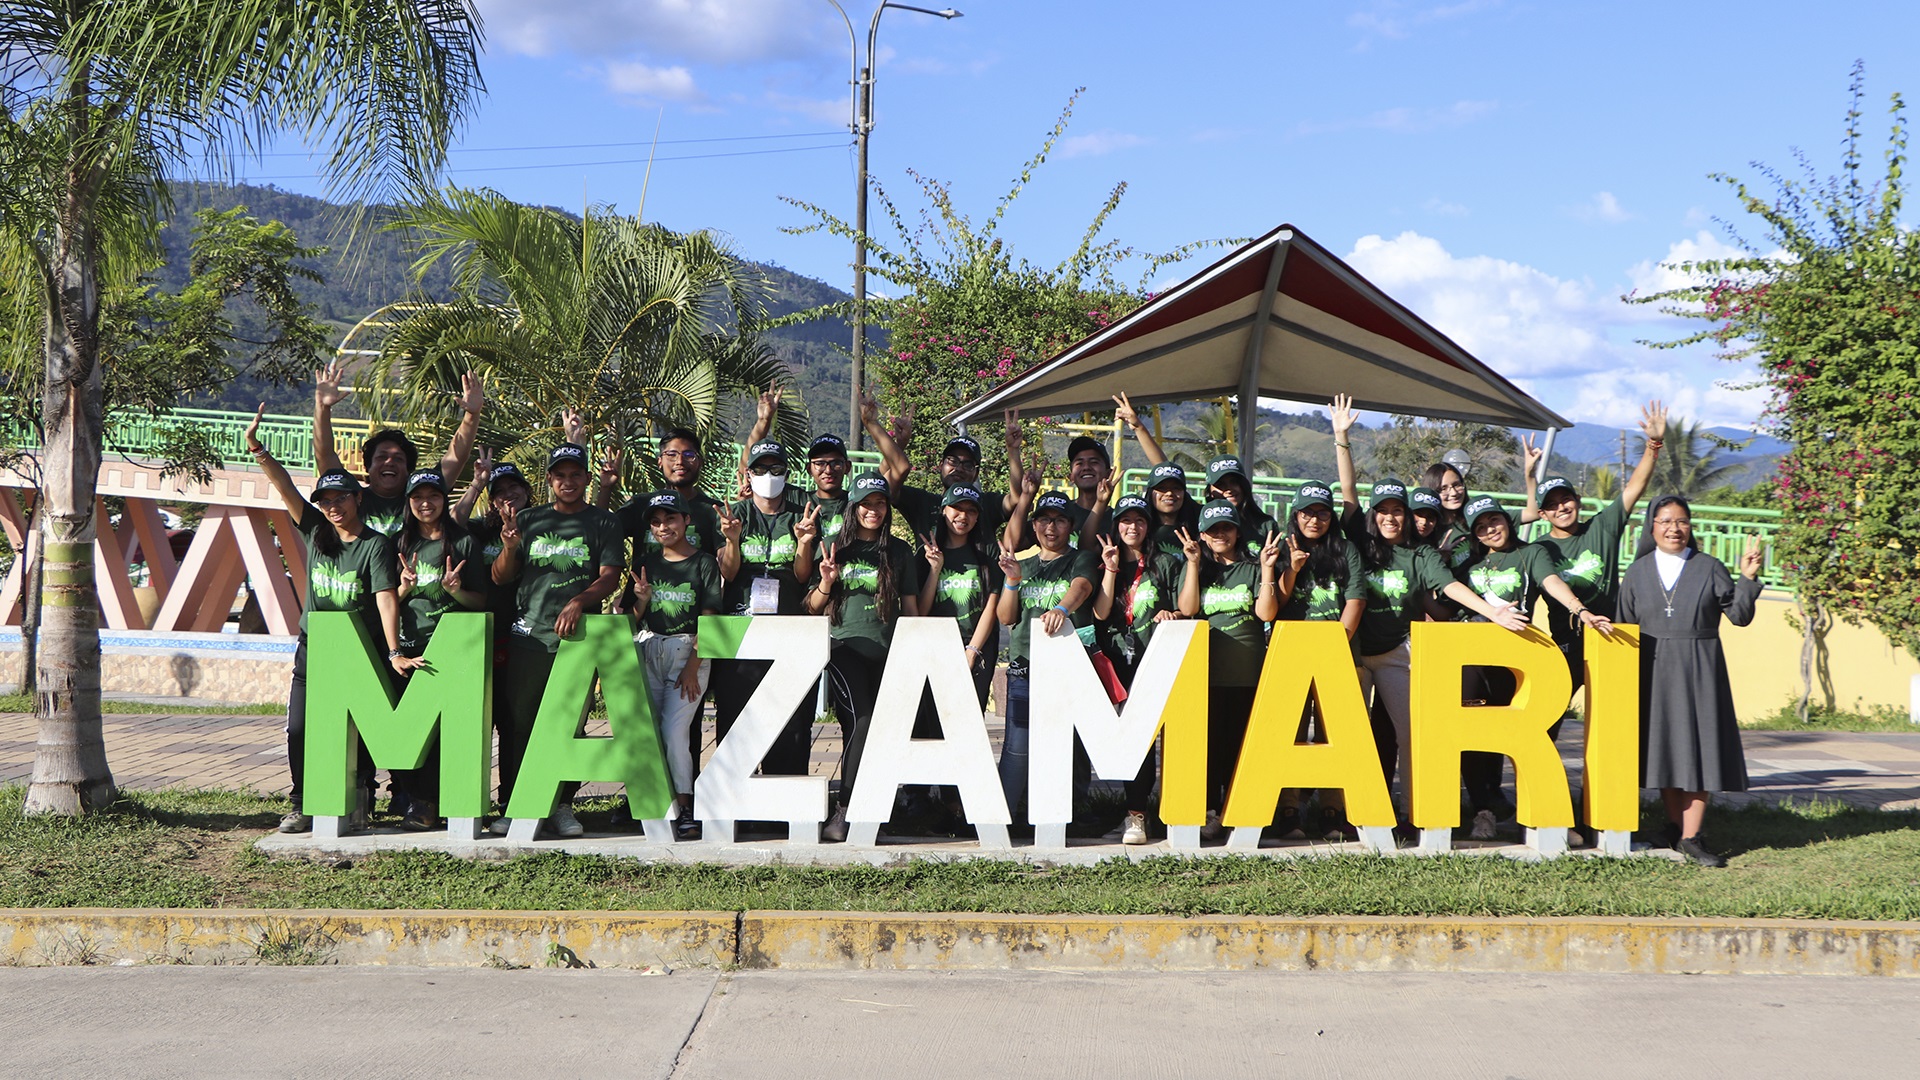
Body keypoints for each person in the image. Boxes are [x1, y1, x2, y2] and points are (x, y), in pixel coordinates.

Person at [244, 406, 413, 835]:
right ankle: (302, 803)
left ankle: (360, 800)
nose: (333, 507)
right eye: (327, 501)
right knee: (300, 727)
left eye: (341, 498)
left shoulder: (374, 545)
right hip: (314, 649)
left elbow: (386, 599)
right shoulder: (316, 530)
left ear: (359, 498)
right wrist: (260, 452)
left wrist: (393, 651)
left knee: (362, 727)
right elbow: (286, 491)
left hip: (363, 650)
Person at [1347, 477, 1532, 835]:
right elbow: (1350, 495)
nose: (1390, 518)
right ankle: (1355, 811)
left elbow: (1449, 586)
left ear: (1406, 515)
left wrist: (1492, 612)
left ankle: (1414, 813)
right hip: (1352, 653)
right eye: (1382, 510)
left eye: (1397, 510)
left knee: (1409, 735)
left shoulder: (1422, 555)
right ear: (1374, 514)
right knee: (1355, 736)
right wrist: (1343, 439)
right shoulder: (1361, 545)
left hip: (1395, 654)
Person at [1449, 495, 1614, 840]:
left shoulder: (1531, 552)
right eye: (1480, 527)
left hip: (1518, 659)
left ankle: (1540, 812)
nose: (1489, 530)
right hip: (1472, 657)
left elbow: (1552, 583)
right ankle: (1483, 812)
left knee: (1521, 737)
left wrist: (1580, 609)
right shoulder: (1468, 560)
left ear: (1506, 520)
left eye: (1493, 521)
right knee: (1475, 738)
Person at [1616, 497, 1763, 868]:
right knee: (1664, 749)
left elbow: (1740, 616)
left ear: (1690, 527)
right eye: (1665, 521)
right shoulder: (1636, 573)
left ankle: (1691, 836)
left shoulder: (1709, 567)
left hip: (1699, 668)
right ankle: (1674, 826)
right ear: (1651, 527)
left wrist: (1747, 577)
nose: (1674, 528)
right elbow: (1623, 625)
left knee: (1697, 751)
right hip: (1651, 668)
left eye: (1682, 521)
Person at [489, 443, 626, 838]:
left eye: (575, 474)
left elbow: (609, 576)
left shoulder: (604, 522)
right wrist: (510, 546)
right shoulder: (528, 518)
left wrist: (580, 600)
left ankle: (562, 805)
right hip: (529, 635)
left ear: (585, 478)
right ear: (549, 480)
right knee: (520, 723)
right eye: (559, 475)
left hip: (579, 638)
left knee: (571, 723)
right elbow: (501, 576)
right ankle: (516, 803)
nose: (568, 481)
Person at [803, 470, 922, 842]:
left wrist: (913, 653)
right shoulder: (834, 546)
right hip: (844, 648)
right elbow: (811, 606)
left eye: (880, 503)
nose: (874, 510)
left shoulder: (900, 552)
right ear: (853, 507)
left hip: (888, 653)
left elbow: (911, 610)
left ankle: (873, 810)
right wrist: (826, 581)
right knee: (862, 722)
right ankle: (845, 810)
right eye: (866, 504)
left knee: (880, 731)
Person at [1521, 401, 1667, 693]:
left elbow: (1635, 487)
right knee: (1552, 713)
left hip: (1610, 635)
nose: (1561, 508)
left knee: (1615, 722)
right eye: (1551, 505)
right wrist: (1529, 478)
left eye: (1566, 500)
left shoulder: (1602, 527)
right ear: (1542, 515)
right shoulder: (1538, 550)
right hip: (1565, 641)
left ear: (1578, 500)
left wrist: (1654, 444)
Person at [714, 440, 821, 784]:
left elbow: (804, 576)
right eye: (760, 469)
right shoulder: (739, 514)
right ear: (748, 474)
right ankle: (734, 792)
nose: (768, 476)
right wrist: (732, 541)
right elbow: (728, 573)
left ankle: (782, 792)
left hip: (788, 628)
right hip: (741, 628)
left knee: (788, 714)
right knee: (736, 711)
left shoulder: (798, 514)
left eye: (776, 470)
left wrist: (804, 544)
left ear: (787, 474)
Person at [1175, 499, 1283, 841]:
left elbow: (1266, 614)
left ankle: (1238, 811)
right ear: (1203, 536)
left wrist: (1266, 570)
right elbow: (1188, 608)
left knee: (1240, 748)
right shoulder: (1197, 568)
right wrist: (1192, 565)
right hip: (1205, 675)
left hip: (1247, 674)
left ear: (1237, 531)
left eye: (1227, 527)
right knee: (1209, 748)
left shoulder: (1252, 569)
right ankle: (1208, 811)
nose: (1221, 534)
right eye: (1213, 529)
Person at [1271, 481, 1369, 842]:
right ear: (1296, 515)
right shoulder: (1282, 548)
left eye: (1323, 512)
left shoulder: (1346, 550)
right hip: (1291, 656)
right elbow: (1274, 606)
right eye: (1308, 512)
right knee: (1290, 734)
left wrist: (1333, 651)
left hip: (1338, 655)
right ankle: (1289, 809)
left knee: (1337, 735)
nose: (1315, 519)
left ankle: (1333, 810)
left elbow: (1355, 600)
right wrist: (1292, 568)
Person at [391, 468, 488, 831]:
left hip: (453, 651)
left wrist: (454, 591)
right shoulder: (398, 545)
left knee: (452, 733)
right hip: (411, 652)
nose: (425, 503)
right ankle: (421, 802)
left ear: (444, 500)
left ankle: (454, 801)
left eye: (432, 496)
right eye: (417, 497)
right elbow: (385, 604)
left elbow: (480, 602)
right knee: (410, 731)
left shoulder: (463, 543)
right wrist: (403, 588)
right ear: (409, 502)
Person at [994, 491, 1098, 827]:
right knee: (1017, 748)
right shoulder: (1021, 565)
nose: (1051, 527)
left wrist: (1061, 609)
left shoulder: (1080, 558)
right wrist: (1012, 581)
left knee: (1068, 745)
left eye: (1059, 520)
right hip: (1026, 666)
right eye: (1044, 520)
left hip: (1069, 668)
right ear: (1034, 525)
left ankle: (1066, 815)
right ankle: (1003, 817)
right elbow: (1006, 618)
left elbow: (1082, 587)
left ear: (1070, 526)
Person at [633, 490, 727, 839]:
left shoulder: (703, 563)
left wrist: (693, 665)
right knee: (651, 732)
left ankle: (686, 806)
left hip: (689, 653)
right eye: (656, 522)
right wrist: (640, 602)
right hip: (650, 648)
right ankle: (655, 803)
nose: (663, 527)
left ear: (686, 520)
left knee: (675, 733)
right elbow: (629, 617)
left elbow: (711, 617)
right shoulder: (646, 562)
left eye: (670, 519)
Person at [1091, 494, 1183, 844]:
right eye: (1126, 521)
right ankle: (1135, 813)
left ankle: (1155, 813)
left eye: (1140, 521)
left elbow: (1182, 606)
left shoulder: (1166, 565)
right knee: (1133, 743)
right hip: (1119, 663)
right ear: (1116, 526)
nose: (1133, 527)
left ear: (1149, 526)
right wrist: (1112, 570)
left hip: (1155, 659)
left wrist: (1173, 614)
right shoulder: (1107, 562)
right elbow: (1101, 613)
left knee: (1158, 743)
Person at [911, 483, 1003, 829]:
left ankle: (958, 803)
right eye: (956, 509)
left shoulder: (987, 555)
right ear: (944, 513)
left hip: (974, 652)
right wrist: (935, 569)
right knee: (930, 723)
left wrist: (973, 650)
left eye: (971, 511)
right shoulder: (927, 555)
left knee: (965, 727)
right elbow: (920, 609)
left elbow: (991, 606)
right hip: (934, 651)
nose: (963, 517)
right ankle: (926, 801)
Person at [312, 360, 484, 537]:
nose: (389, 462)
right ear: (367, 467)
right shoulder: (353, 499)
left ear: (409, 470)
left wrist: (472, 415)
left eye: (398, 459)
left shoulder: (421, 499)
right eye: (381, 457)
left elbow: (456, 457)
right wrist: (322, 408)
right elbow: (325, 456)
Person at [1062, 435, 1116, 547]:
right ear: (1070, 476)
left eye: (1094, 462)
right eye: (1079, 463)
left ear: (1108, 473)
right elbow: (1017, 541)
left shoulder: (1119, 520)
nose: (1086, 467)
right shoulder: (1060, 512)